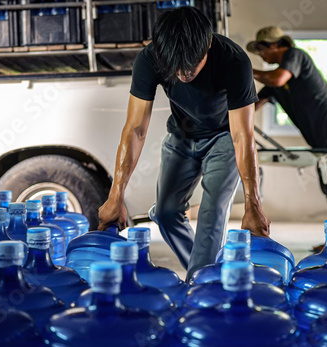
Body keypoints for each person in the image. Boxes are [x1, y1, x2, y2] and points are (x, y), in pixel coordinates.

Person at [97, 7, 270, 281]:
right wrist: (115, 196)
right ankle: (206, 275)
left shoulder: (234, 61)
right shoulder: (150, 59)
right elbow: (135, 129)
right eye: (175, 65)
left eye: (191, 64)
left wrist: (253, 203)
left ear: (209, 44)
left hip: (225, 137)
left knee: (212, 216)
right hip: (181, 136)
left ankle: (198, 288)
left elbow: (242, 136)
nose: (182, 73)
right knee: (165, 214)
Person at [247, 26, 327, 232]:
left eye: (261, 49)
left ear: (276, 45)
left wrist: (247, 71)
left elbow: (277, 78)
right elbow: (251, 107)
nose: (261, 55)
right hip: (318, 136)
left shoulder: (295, 56)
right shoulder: (274, 84)